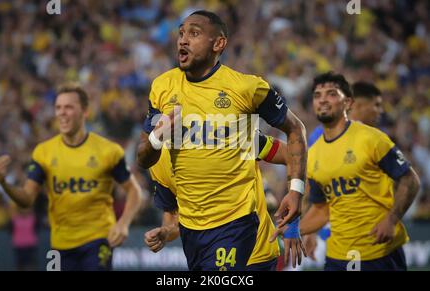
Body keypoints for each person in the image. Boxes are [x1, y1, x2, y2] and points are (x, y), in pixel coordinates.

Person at [137, 10, 307, 270]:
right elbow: (146, 162)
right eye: (181, 33)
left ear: (218, 44)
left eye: (194, 34)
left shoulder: (244, 94)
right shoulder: (162, 88)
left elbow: (293, 137)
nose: (183, 40)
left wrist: (295, 195)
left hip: (241, 229)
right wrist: (158, 137)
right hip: (195, 235)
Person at [0, 84, 142, 271]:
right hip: (60, 245)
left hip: (97, 240)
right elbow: (27, 199)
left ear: (85, 111)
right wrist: (4, 183)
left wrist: (123, 223)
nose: (62, 113)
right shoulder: (43, 153)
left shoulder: (108, 151)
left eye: (68, 107)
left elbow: (134, 190)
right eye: (58, 107)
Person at [297, 72, 420, 271]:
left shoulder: (372, 138)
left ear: (348, 103)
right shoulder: (313, 153)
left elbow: (410, 180)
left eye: (331, 94)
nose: (323, 100)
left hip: (379, 251)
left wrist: (391, 220)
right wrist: (295, 231)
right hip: (337, 256)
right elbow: (321, 207)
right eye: (317, 95)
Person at [144, 132, 306, 270]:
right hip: (206, 256)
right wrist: (166, 232)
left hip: (255, 255)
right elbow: (173, 217)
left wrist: (293, 219)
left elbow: (290, 154)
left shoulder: (230, 132)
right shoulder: (158, 160)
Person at [303, 81, 387, 259]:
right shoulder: (321, 136)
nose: (381, 111)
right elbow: (312, 185)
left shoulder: (375, 138)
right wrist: (310, 231)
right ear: (357, 105)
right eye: (376, 105)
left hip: (374, 227)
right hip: (339, 227)